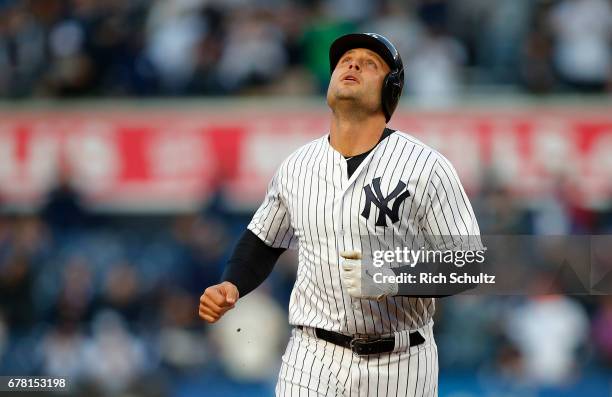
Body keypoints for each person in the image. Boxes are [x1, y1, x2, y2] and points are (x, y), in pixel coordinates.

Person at [199, 33, 481, 396]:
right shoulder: (297, 166)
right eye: (346, 59)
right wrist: (231, 283)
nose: (352, 65)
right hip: (312, 357)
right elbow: (263, 240)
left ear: (390, 90)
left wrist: (392, 275)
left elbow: (469, 264)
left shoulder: (426, 167)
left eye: (369, 64)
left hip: (401, 361)